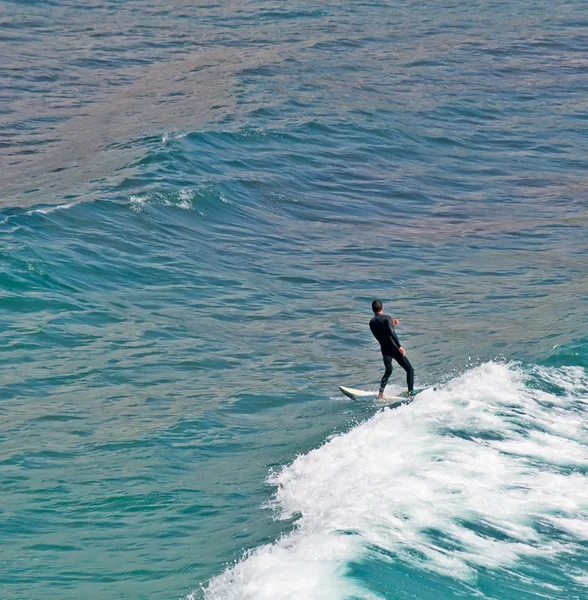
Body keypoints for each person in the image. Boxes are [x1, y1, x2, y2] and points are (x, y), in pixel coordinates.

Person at [369, 300, 415, 399]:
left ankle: (380, 394)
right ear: (383, 308)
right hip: (394, 349)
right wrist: (399, 347)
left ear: (373, 310)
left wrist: (392, 325)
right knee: (410, 370)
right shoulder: (387, 318)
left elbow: (381, 334)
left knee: (388, 372)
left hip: (385, 350)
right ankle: (411, 394)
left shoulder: (371, 322)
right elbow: (391, 333)